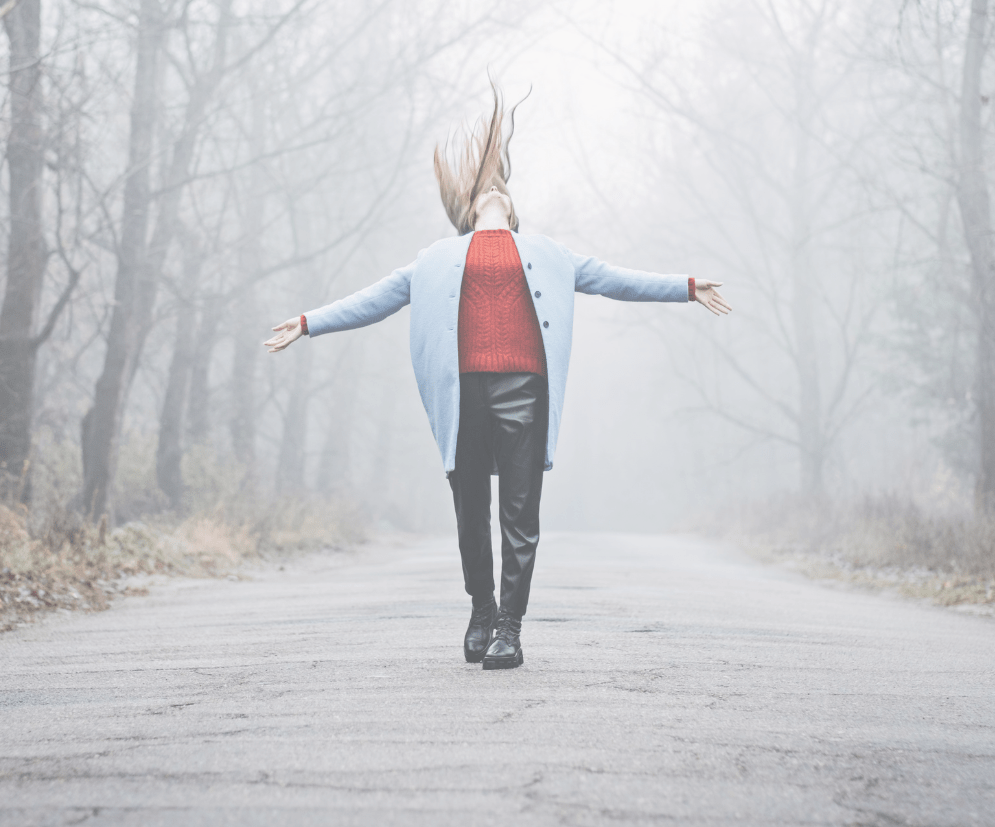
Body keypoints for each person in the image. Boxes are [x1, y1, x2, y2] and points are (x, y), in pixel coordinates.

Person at [264, 88, 731, 670]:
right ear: (468, 208)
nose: (493, 192)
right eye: (484, 190)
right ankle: (481, 607)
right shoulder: (434, 258)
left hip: (524, 391)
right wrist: (308, 323)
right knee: (469, 515)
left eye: (501, 190)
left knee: (519, 514)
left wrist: (687, 286)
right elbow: (374, 300)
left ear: (512, 207)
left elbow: (618, 279)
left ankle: (510, 626)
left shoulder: (551, 253)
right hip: (463, 395)